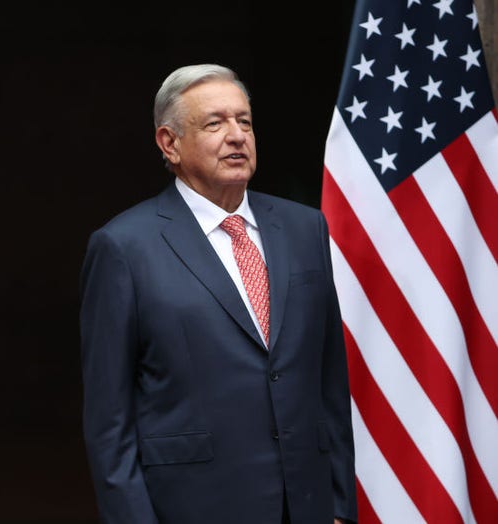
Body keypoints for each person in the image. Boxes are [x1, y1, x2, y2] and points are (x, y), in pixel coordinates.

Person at [78, 64, 357, 523]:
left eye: (244, 121)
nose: (236, 136)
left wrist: (341, 505)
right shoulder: (124, 247)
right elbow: (110, 425)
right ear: (169, 143)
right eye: (215, 123)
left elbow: (329, 379)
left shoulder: (305, 228)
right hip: (194, 506)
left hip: (306, 504)